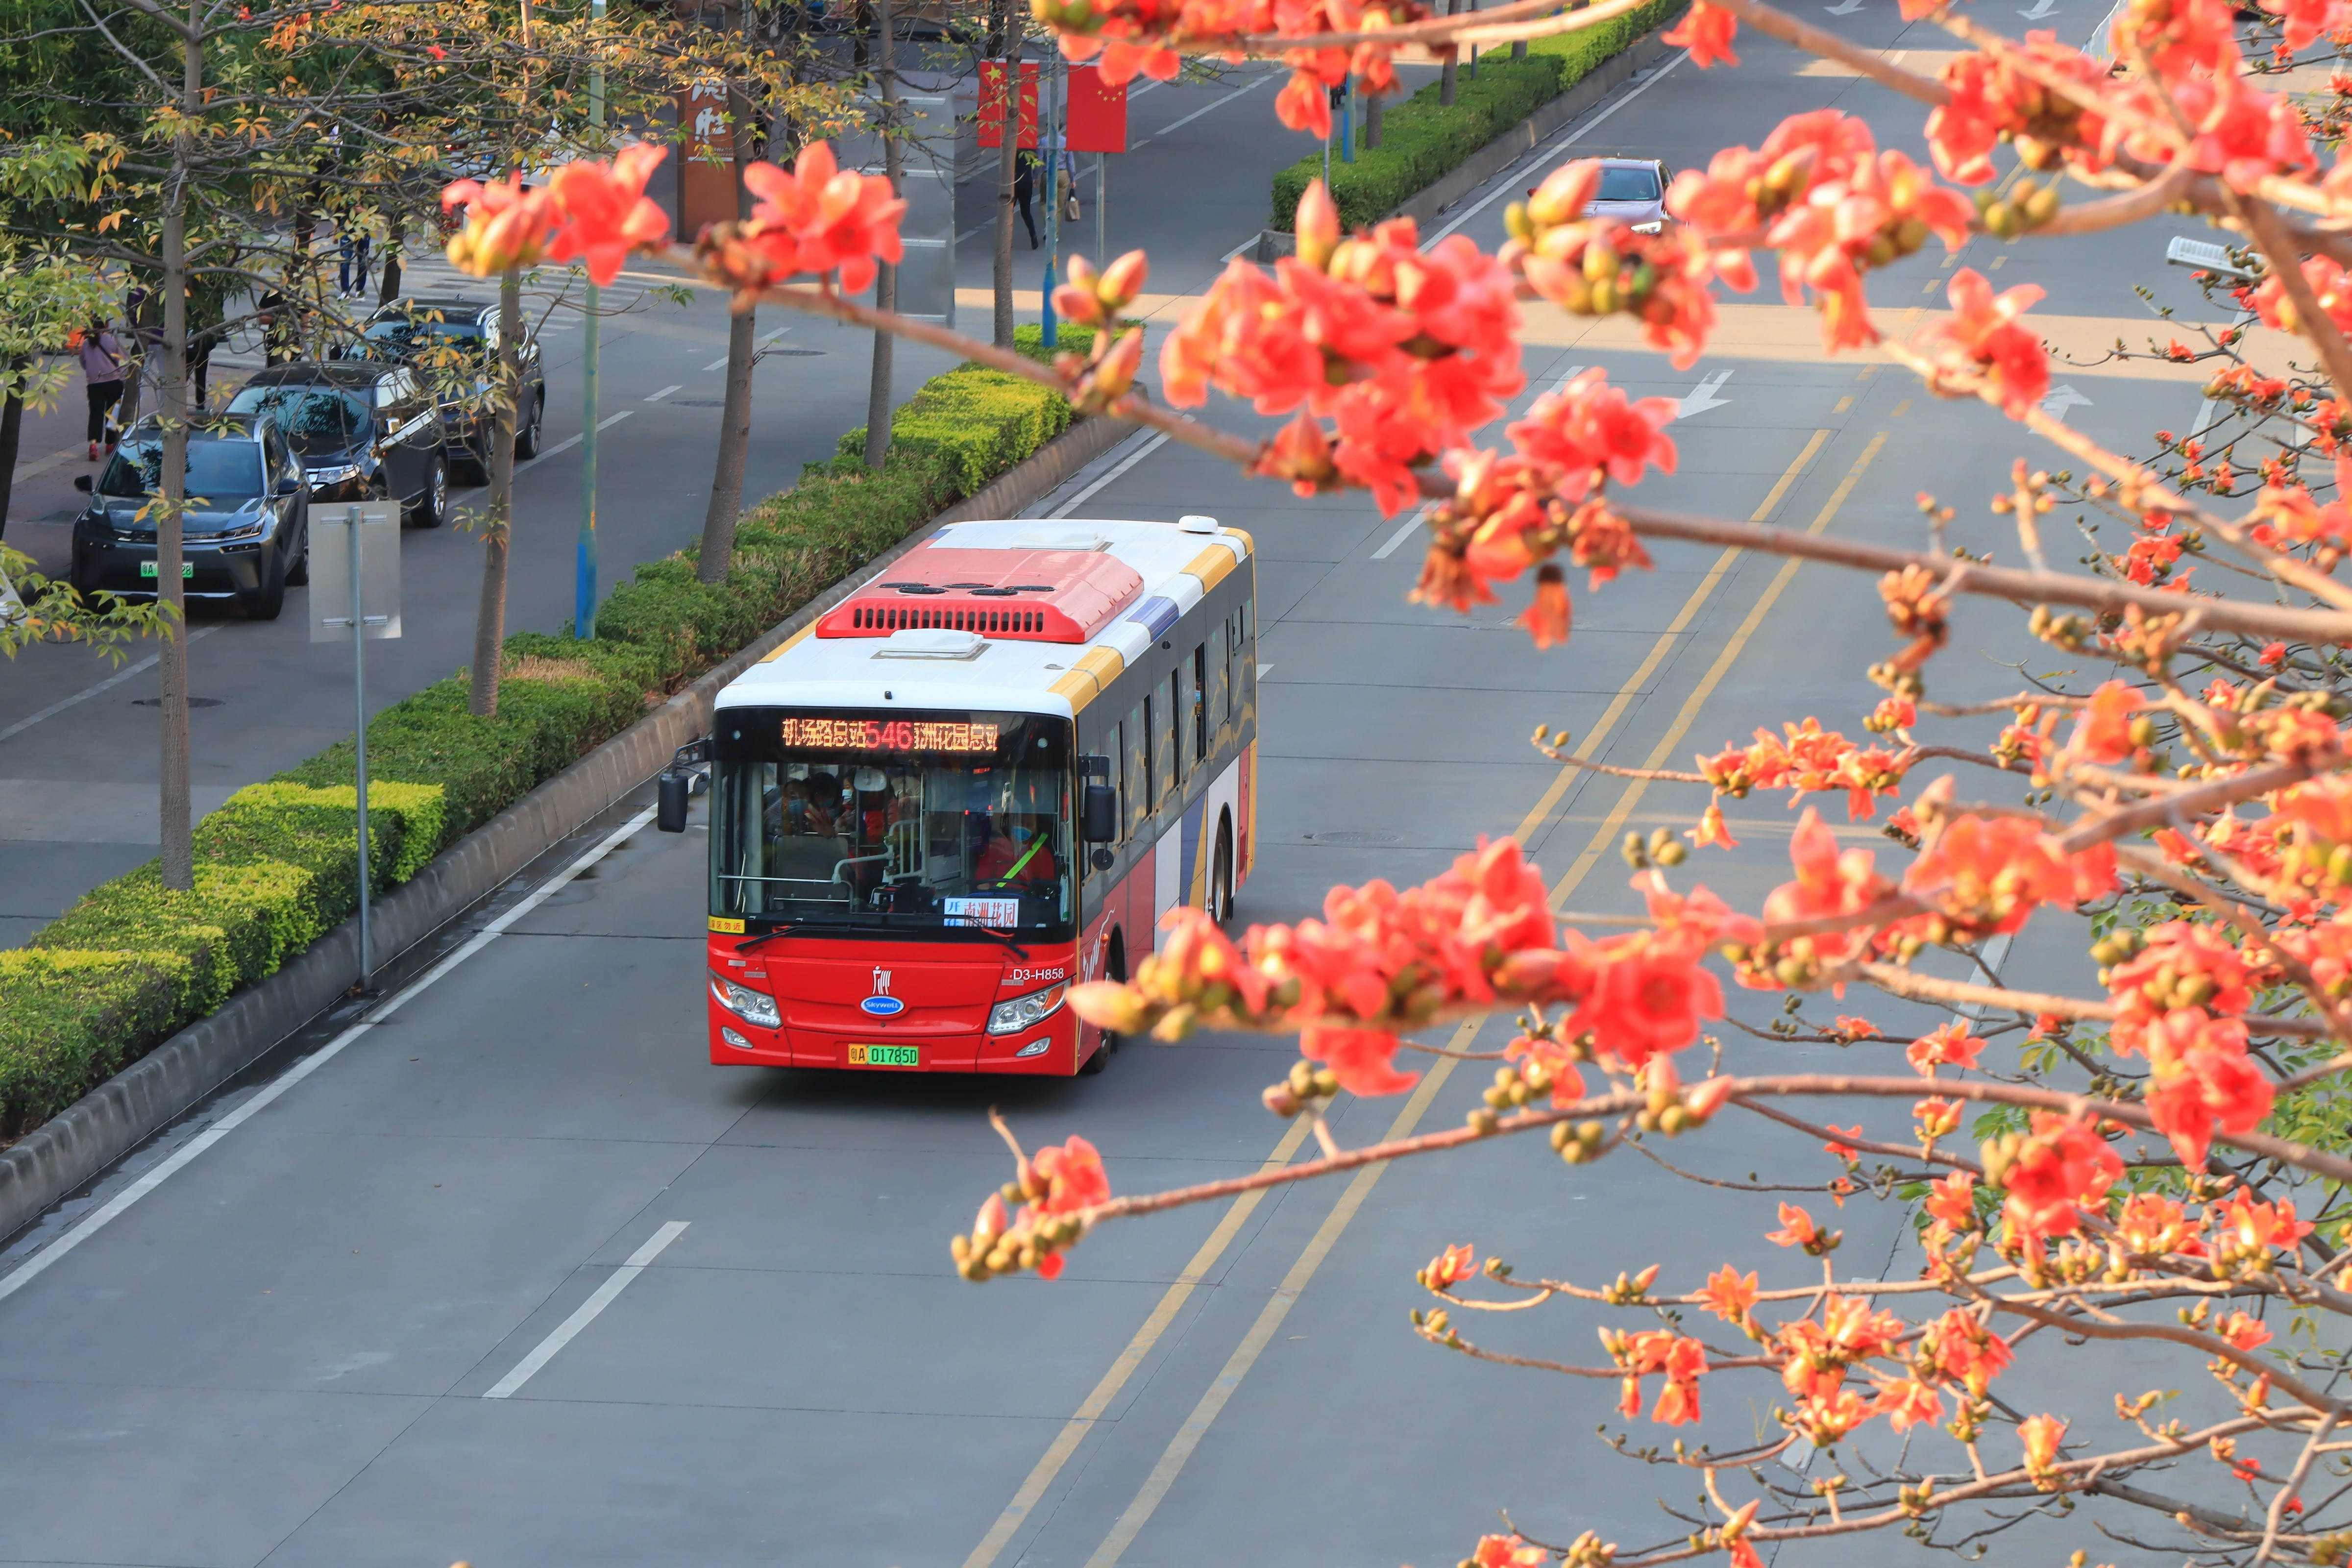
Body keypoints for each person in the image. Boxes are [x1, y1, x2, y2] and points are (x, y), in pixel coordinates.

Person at [78, 318, 126, 462]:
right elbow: (121, 361)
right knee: (112, 414)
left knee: (95, 414)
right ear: (107, 325)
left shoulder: (87, 343)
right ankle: (110, 444)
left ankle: (93, 446)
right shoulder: (112, 340)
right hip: (113, 381)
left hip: (94, 384)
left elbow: (83, 362)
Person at [978, 815, 1057, 890]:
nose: (1024, 827)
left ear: (1035, 828)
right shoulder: (995, 848)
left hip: (1029, 902)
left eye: (1029, 825)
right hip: (1000, 900)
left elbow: (1046, 886)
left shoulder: (1043, 853)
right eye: (1021, 823)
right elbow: (981, 883)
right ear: (1011, 824)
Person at [1012, 148, 1040, 250]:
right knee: (1026, 212)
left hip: (1014, 182)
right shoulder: (1032, 150)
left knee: (1008, 212)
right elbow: (1036, 166)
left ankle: (1007, 240)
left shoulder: (1014, 148)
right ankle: (1033, 236)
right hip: (1027, 182)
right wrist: (1035, 177)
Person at [338, 230, 371, 299]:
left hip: (363, 232)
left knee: (363, 263)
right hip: (346, 231)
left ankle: (360, 290)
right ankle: (345, 291)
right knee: (344, 262)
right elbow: (337, 219)